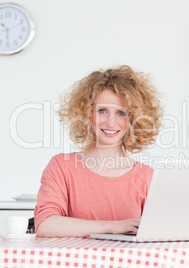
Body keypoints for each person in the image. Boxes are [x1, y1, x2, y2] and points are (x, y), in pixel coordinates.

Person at [34, 65, 164, 237]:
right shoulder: (61, 167)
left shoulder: (147, 178)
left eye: (121, 113)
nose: (110, 123)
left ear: (134, 119)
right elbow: (45, 224)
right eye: (102, 111)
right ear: (87, 114)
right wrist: (112, 227)